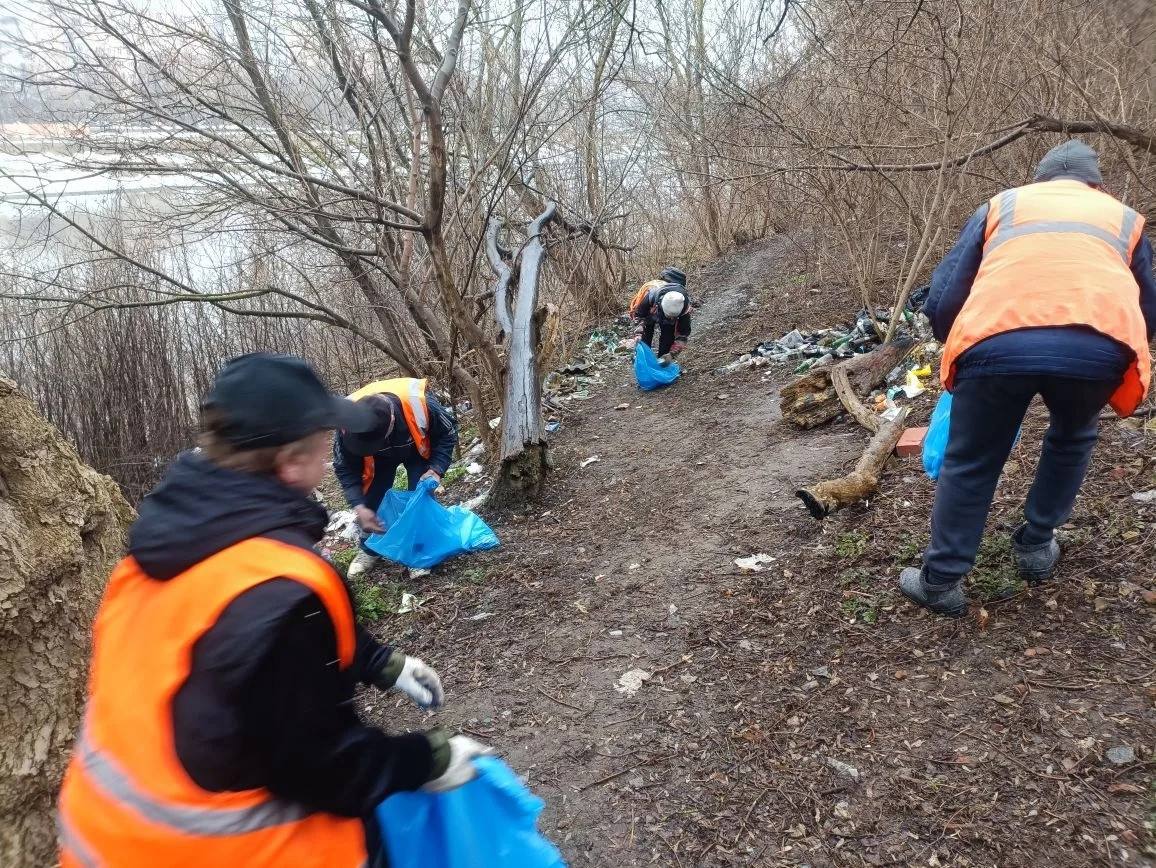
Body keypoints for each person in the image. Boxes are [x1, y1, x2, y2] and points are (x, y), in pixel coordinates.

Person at [57, 353, 488, 867]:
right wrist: (427, 760)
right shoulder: (284, 589)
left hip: (98, 835)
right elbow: (324, 767)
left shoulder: (156, 557)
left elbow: (236, 652)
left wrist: (379, 663)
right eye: (321, 444)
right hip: (215, 850)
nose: (329, 457)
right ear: (290, 463)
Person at [900, 141, 1156, 618]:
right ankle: (1036, 545)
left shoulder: (1004, 205)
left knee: (972, 459)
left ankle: (942, 582)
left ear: (1039, 180)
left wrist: (953, 338)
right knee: (1072, 438)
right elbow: (1146, 304)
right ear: (1095, 183)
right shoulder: (1125, 218)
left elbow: (948, 290)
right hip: (1099, 345)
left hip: (997, 340)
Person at [334, 378, 459, 579]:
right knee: (371, 498)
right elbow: (344, 467)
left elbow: (448, 432)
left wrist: (436, 469)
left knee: (419, 496)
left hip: (416, 449)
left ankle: (419, 551)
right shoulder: (346, 422)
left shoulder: (420, 403)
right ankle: (369, 549)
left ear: (392, 420)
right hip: (378, 460)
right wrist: (359, 505)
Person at [629, 265, 692, 362]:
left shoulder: (684, 308)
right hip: (650, 312)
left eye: (673, 317)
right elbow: (639, 316)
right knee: (646, 335)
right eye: (668, 316)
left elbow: (683, 334)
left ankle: (662, 361)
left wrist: (672, 354)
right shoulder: (650, 296)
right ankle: (644, 358)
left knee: (668, 336)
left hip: (662, 313)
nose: (671, 318)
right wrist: (638, 335)